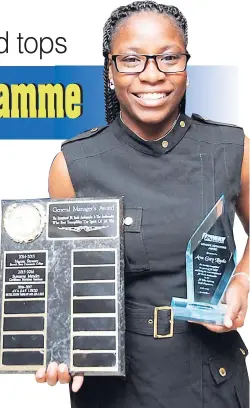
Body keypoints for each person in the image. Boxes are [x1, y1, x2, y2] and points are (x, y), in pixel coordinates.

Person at [35, 1, 250, 407]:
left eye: (169, 57)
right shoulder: (73, 165)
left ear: (186, 68)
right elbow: (61, 285)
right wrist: (60, 344)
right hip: (113, 384)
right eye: (131, 60)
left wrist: (242, 281)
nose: (152, 75)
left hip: (211, 378)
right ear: (110, 71)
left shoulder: (232, 148)